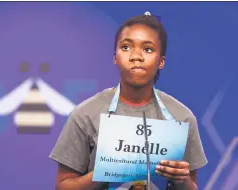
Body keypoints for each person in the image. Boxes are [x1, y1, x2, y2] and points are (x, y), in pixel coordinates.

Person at [49, 11, 208, 190]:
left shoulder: (182, 117)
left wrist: (182, 180)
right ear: (115, 57)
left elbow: (192, 186)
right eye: (126, 47)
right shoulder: (85, 114)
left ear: (161, 61)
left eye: (148, 49)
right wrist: (106, 170)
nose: (136, 57)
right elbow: (62, 186)